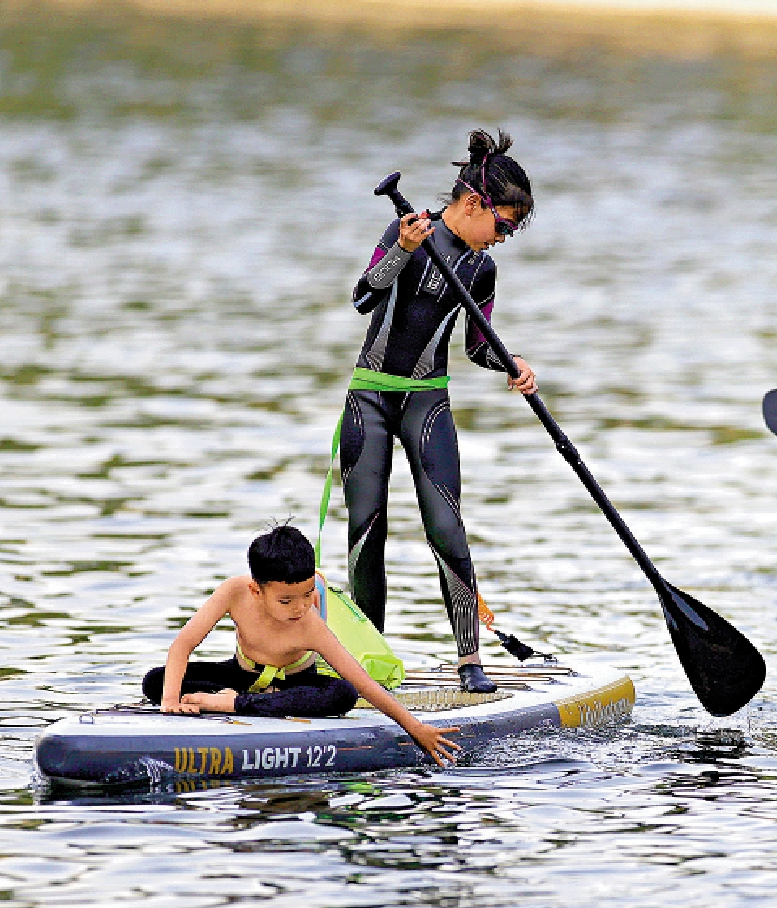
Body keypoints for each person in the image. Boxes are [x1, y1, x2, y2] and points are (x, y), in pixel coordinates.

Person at [342, 128, 538, 694]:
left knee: (446, 525)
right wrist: (402, 252)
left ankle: (470, 659)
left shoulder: (481, 270)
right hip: (371, 397)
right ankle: (368, 661)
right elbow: (361, 298)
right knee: (366, 529)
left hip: (427, 401)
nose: (503, 238)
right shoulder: (408, 229)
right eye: (503, 224)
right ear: (475, 203)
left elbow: (479, 344)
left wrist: (512, 362)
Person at [142, 524, 461, 767]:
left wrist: (416, 727)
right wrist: (170, 702)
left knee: (342, 695)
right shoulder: (235, 593)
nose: (299, 607)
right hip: (244, 675)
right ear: (257, 591)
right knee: (156, 680)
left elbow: (363, 684)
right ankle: (242, 698)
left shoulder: (309, 622)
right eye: (286, 600)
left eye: (308, 594)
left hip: (296, 685)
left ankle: (235, 703)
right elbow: (182, 645)